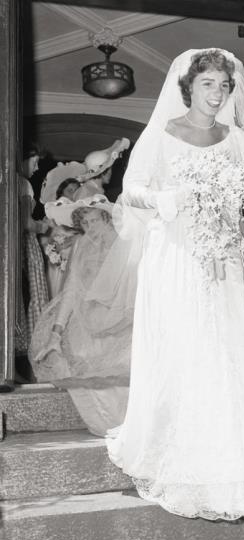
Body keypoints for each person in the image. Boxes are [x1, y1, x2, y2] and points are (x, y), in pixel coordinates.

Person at [105, 49, 244, 522]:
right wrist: (172, 198)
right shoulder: (163, 134)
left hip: (225, 261)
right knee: (187, 352)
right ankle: (183, 461)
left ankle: (237, 473)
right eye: (208, 84)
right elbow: (133, 189)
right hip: (177, 258)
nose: (218, 93)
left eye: (224, 86)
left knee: (232, 355)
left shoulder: (233, 139)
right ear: (188, 88)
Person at [30, 195, 135, 436]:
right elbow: (72, 290)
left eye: (95, 221)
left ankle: (130, 425)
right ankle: (108, 425)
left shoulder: (126, 243)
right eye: (85, 224)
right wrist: (56, 332)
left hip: (123, 319)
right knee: (79, 357)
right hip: (88, 321)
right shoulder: (81, 245)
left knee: (124, 365)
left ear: (107, 218)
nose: (90, 228)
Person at [17, 145, 50, 381]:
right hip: (25, 245)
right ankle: (28, 368)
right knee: (30, 298)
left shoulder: (9, 180)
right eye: (35, 162)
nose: (37, 167)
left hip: (13, 244)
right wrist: (43, 226)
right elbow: (27, 224)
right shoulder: (23, 184)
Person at [40, 162, 87, 298]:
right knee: (58, 285)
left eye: (76, 191)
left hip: (76, 250)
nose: (73, 194)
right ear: (61, 192)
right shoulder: (58, 206)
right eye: (69, 190)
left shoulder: (81, 207)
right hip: (61, 251)